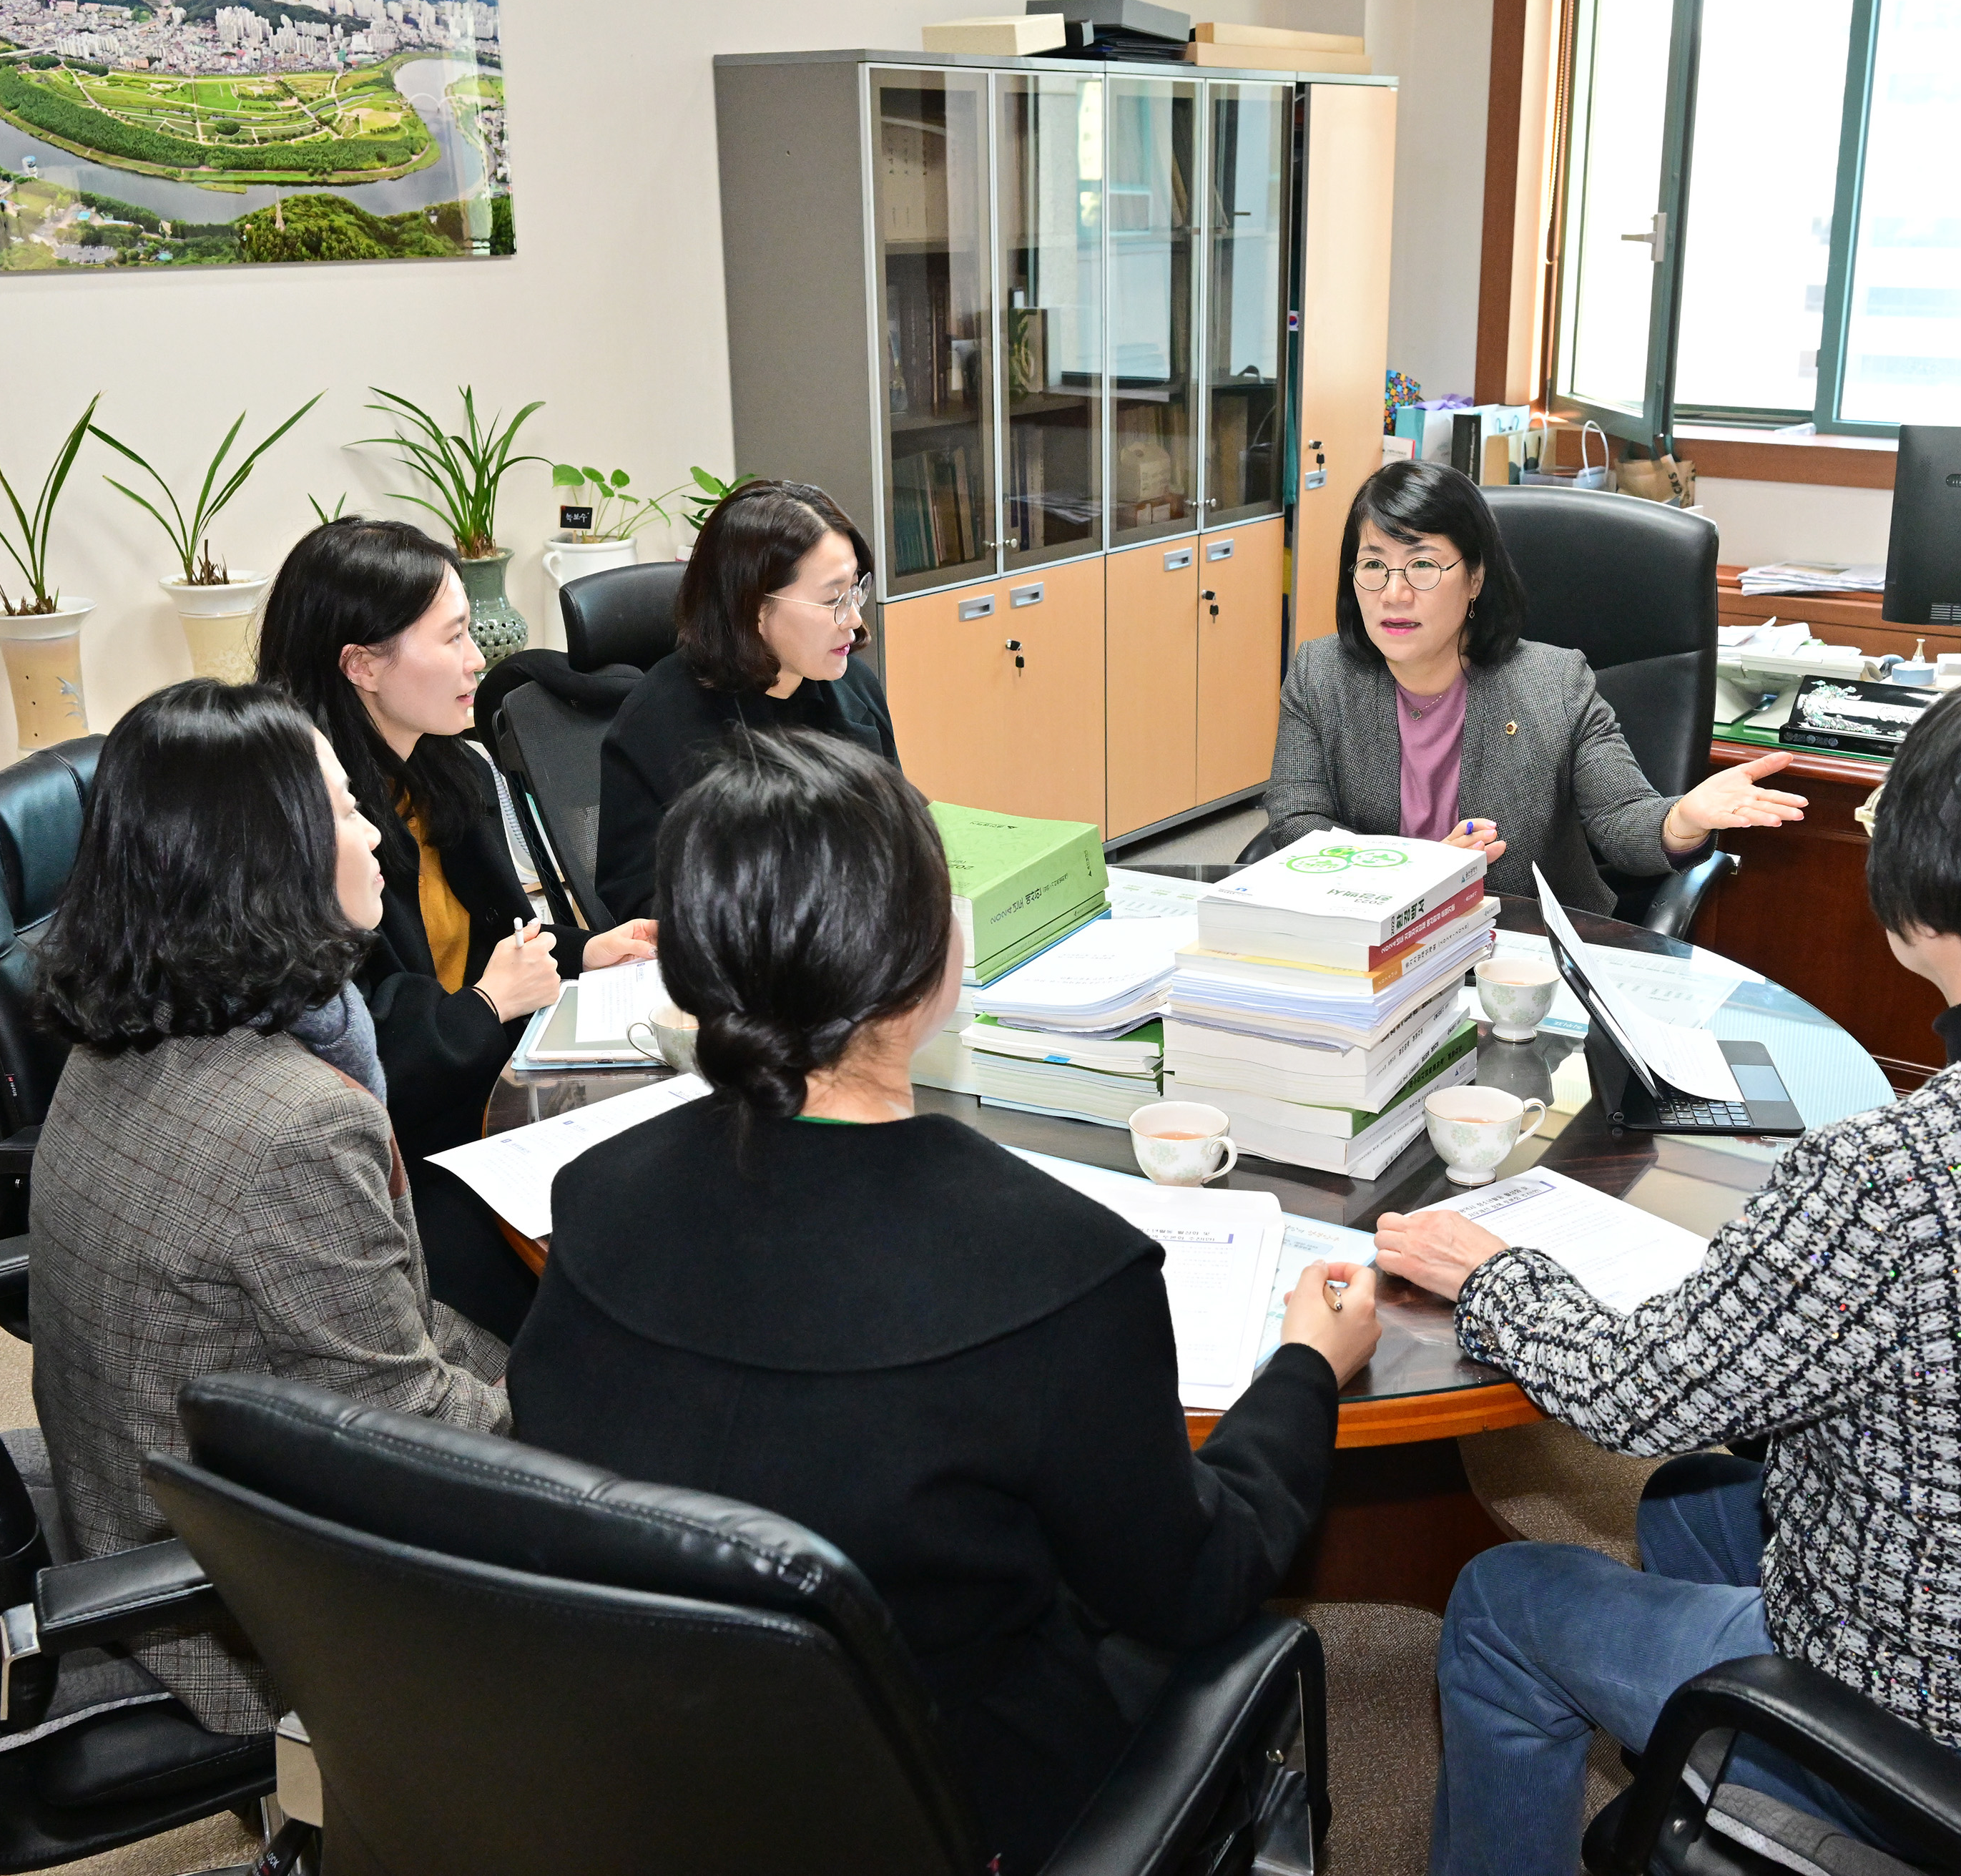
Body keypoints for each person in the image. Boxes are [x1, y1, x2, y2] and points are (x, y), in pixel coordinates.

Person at [1373, 671, 1961, 1873]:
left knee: (1505, 1603)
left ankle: (1756, 1772)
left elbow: (1636, 1395)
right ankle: (1709, 1784)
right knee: (1688, 1505)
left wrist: (1495, 1274)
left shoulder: (1890, 1175)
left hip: (1949, 1731)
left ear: (1920, 898)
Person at [510, 728, 1379, 1875]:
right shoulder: (1063, 1265)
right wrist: (1306, 1365)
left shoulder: (596, 1194)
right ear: (930, 962)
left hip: (653, 1772)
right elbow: (1192, 1582)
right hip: (957, 1805)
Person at [31, 679, 511, 1737]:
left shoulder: (122, 1034)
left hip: (141, 1493)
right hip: (241, 1612)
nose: (374, 835)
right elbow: (414, 1440)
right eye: (344, 810)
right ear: (266, 858)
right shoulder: (292, 1124)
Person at [255, 517, 654, 1339]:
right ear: (361, 665)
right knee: (593, 1292)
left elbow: (499, 942)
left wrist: (585, 952)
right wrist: (483, 1005)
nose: (479, 659)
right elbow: (347, 1046)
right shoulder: (316, 832)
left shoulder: (449, 768)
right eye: (453, 638)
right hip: (402, 1153)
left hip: (484, 1095)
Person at [1255, 459, 1805, 911]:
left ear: (1475, 578)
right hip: (1371, 932)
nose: (1394, 593)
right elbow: (1297, 815)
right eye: (1374, 565)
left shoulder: (1555, 683)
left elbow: (1619, 819)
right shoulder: (1321, 672)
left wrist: (1680, 818)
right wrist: (1414, 871)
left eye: (1422, 565)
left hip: (1526, 948)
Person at [594, 478, 900, 923]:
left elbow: (896, 835)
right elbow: (647, 904)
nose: (854, 618)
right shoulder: (661, 721)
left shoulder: (852, 683)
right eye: (834, 598)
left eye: (857, 589)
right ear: (755, 608)